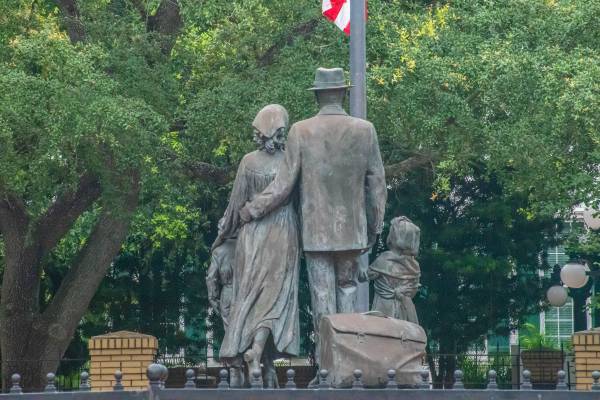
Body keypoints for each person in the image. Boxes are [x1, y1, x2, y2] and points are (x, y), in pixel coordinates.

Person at [239, 68, 387, 366]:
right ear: (343, 93)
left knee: (322, 298)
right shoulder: (365, 130)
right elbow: (377, 185)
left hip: (316, 233)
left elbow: (283, 185)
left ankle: (326, 366)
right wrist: (374, 228)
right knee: (348, 293)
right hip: (352, 232)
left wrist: (253, 208)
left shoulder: (301, 131)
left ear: (317, 95)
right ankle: (348, 365)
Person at [214, 104, 300, 388]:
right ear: (277, 131)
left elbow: (236, 203)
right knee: (274, 299)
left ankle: (253, 355)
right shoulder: (290, 160)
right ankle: (260, 354)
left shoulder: (248, 162)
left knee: (248, 297)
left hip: (251, 237)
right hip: (283, 234)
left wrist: (223, 234)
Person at [368, 216, 421, 324]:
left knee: (382, 334)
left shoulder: (384, 259)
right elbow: (414, 290)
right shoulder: (415, 266)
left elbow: (367, 275)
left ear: (394, 236)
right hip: (406, 310)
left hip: (383, 308)